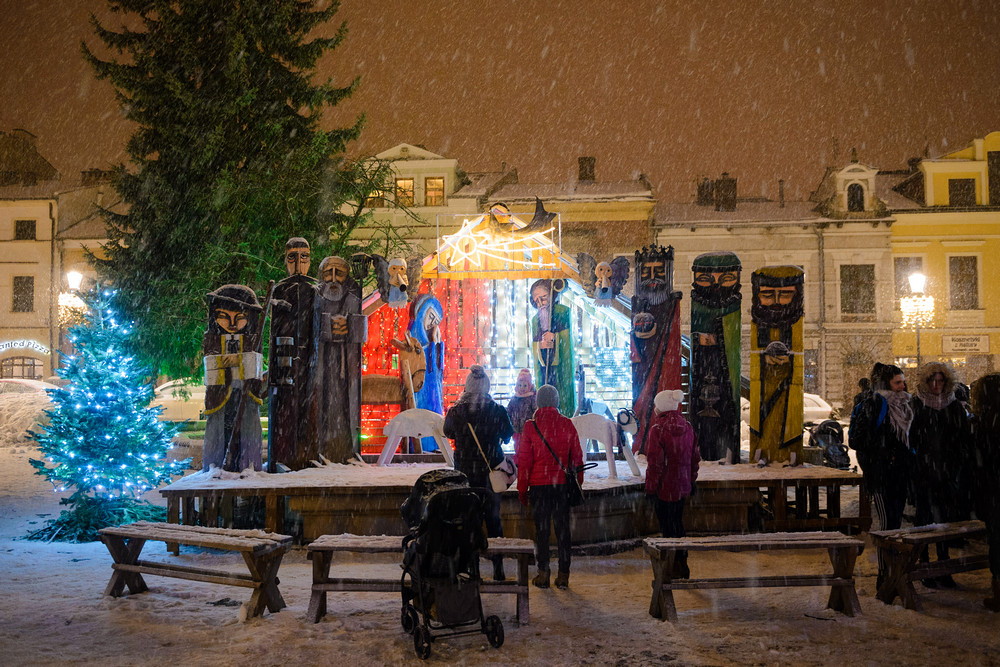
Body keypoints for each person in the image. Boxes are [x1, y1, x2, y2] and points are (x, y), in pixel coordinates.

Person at [443, 365, 514, 581]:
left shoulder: (457, 411)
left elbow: (448, 432)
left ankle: (472, 567)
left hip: (465, 474)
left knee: (469, 520)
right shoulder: (497, 410)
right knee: (493, 519)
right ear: (487, 386)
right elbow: (508, 434)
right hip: (490, 473)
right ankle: (498, 566)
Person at [849, 362, 913, 589]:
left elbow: (909, 439)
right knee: (888, 524)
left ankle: (894, 572)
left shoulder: (906, 404)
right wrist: (883, 454)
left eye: (903, 381)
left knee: (896, 522)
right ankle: (884, 576)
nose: (902, 386)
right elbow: (858, 441)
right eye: (897, 382)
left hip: (900, 473)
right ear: (886, 383)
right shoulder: (875, 404)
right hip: (882, 474)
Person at [909, 362, 972, 588]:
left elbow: (963, 438)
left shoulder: (953, 406)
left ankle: (943, 566)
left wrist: (954, 464)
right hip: (923, 472)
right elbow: (911, 438)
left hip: (946, 472)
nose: (936, 385)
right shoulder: (916, 404)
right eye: (932, 381)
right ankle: (924, 567)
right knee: (924, 519)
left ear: (947, 382)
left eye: (941, 381)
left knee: (944, 520)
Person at [517, 384, 582, 589]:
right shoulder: (567, 424)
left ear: (538, 402)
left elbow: (525, 461)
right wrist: (577, 483)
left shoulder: (530, 426)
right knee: (563, 531)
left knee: (542, 531)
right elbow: (577, 459)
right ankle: (564, 574)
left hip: (538, 487)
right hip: (561, 486)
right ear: (556, 402)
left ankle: (543, 573)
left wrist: (522, 488)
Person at [201, 285, 264, 473]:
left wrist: (234, 362)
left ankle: (248, 465)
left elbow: (254, 365)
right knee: (218, 431)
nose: (232, 324)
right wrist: (235, 363)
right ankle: (215, 465)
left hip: (247, 393)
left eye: (239, 318)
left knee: (248, 430)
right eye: (225, 317)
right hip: (220, 394)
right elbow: (211, 366)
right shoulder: (212, 339)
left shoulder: (253, 339)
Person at [313, 256, 367, 463]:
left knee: (346, 403)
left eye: (339, 273)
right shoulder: (315, 295)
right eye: (329, 272)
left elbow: (361, 329)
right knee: (322, 401)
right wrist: (327, 325)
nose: (333, 278)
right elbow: (311, 323)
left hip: (346, 359)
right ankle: (322, 447)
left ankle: (346, 449)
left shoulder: (354, 297)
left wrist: (349, 324)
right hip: (322, 359)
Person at [644, 389, 700, 578]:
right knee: (678, 523)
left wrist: (650, 488)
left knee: (667, 527)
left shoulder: (657, 430)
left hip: (664, 487)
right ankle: (682, 563)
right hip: (682, 484)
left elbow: (655, 464)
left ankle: (669, 566)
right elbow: (694, 458)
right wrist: (691, 481)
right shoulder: (688, 426)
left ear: (659, 408)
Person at [971, 373, 1000, 611]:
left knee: (997, 542)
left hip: (993, 491)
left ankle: (998, 592)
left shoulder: (985, 421)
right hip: (993, 489)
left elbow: (979, 460)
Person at [529, 279, 576, 418]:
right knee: (545, 388)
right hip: (544, 364)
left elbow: (566, 339)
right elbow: (535, 343)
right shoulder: (535, 320)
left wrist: (556, 337)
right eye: (536, 300)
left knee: (561, 391)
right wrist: (540, 346)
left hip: (560, 366)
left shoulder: (562, 312)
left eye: (543, 298)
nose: (540, 303)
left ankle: (563, 414)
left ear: (550, 295)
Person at [506, 369, 537, 456]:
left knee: (527, 449)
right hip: (516, 429)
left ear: (529, 386)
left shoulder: (531, 398)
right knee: (518, 447)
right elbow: (509, 410)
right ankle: (519, 462)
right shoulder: (514, 398)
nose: (522, 388)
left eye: (525, 385)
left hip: (528, 430)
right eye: (520, 385)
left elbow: (535, 411)